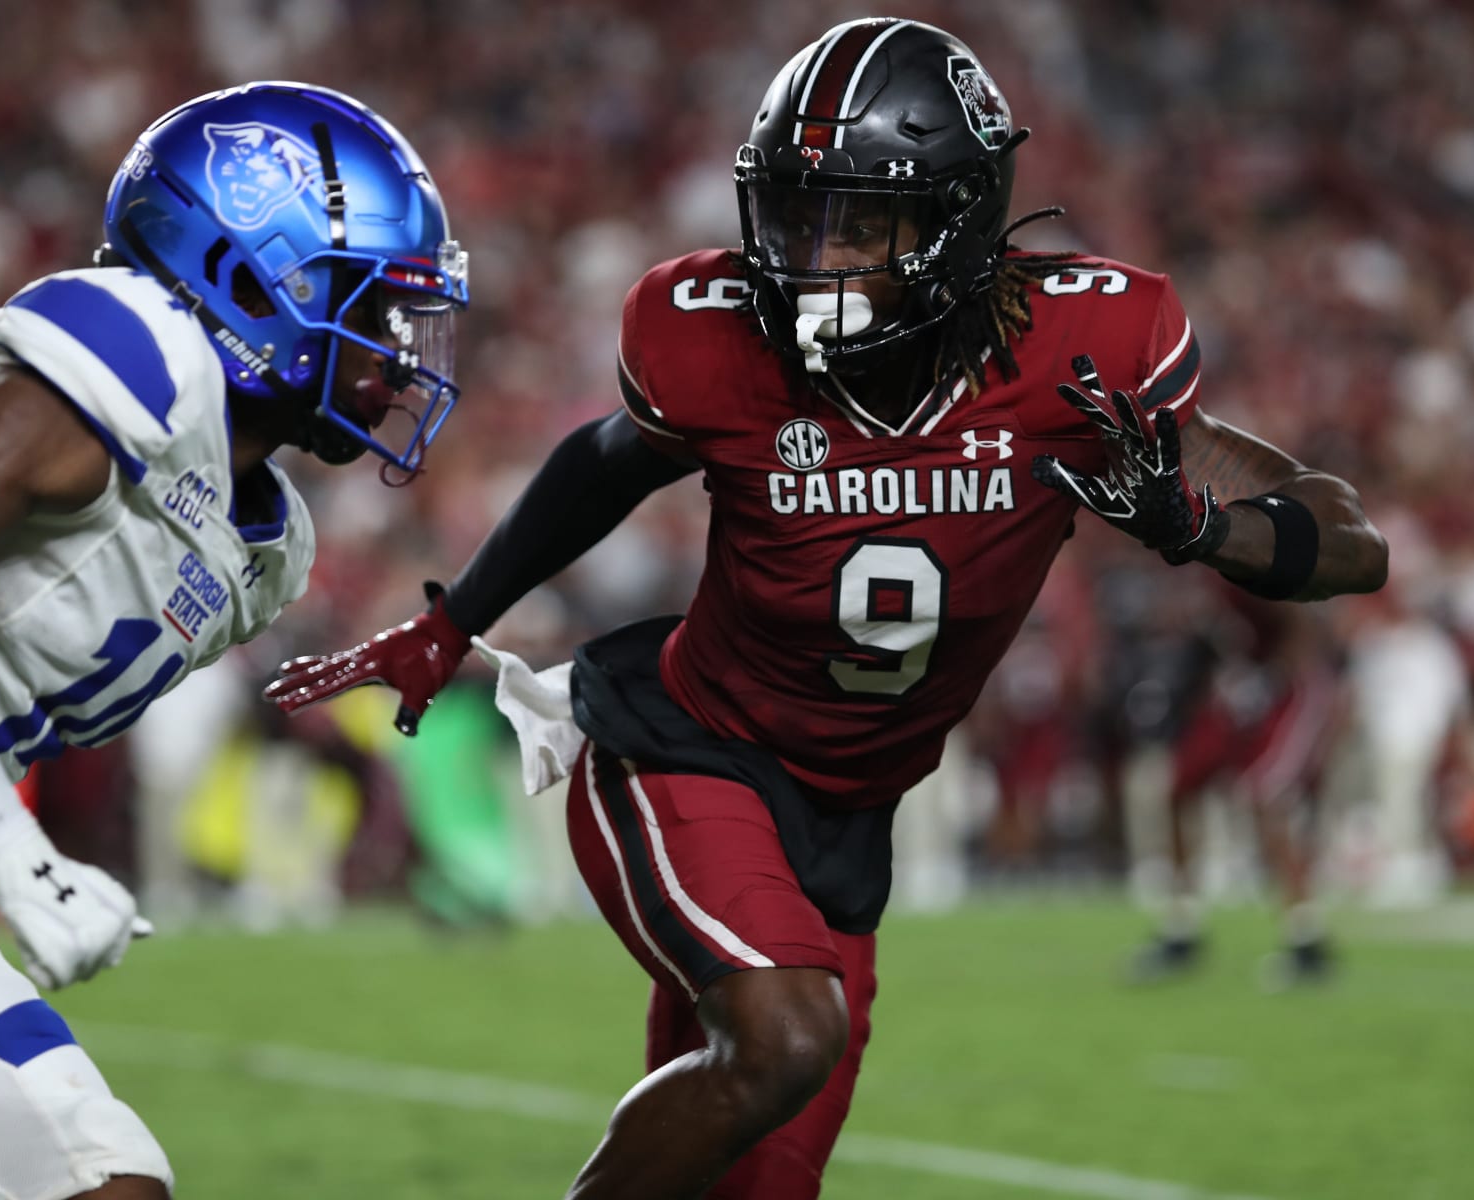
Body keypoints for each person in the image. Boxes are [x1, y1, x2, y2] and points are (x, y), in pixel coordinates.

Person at [268, 17, 1387, 1200]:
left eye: (860, 220)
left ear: (957, 222)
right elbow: (606, 463)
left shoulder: (1080, 355)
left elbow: (1346, 542)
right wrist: (456, 622)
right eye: (799, 213)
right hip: (686, 753)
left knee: (761, 1169)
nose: (815, 252)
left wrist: (1200, 529)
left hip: (846, 825)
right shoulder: (717, 341)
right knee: (785, 1038)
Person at [0, 82, 469, 1199]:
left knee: (103, 1180)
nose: (395, 354)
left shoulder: (268, 546)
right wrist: (9, 847)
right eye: (366, 307)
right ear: (247, 277)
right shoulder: (139, 346)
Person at [1128, 590, 1350, 987]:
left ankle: (1307, 938)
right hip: (1236, 689)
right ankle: (1181, 926)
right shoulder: (1187, 562)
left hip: (1289, 686)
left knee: (1266, 799)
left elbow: (1300, 620)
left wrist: (1272, 674)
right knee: (1179, 788)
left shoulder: (1246, 548)